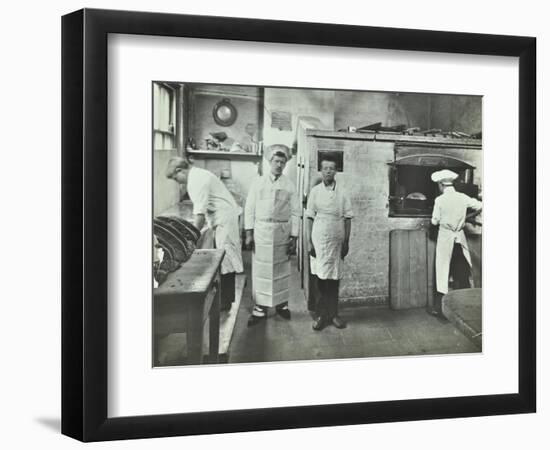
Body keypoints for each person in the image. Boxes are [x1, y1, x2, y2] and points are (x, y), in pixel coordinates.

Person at [165, 157, 244, 311]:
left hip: (224, 219)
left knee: (226, 259)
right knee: (225, 258)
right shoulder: (198, 175)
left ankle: (225, 302)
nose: (178, 182)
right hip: (221, 218)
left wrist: (190, 238)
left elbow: (199, 214)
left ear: (180, 170)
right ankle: (226, 299)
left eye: (176, 178)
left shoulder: (196, 180)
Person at [244, 144, 300, 326]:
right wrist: (248, 233)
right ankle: (260, 309)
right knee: (261, 270)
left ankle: (281, 305)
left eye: (282, 162)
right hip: (261, 232)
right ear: (270, 162)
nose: (279, 165)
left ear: (285, 164)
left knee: (281, 270)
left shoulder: (289, 185)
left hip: (282, 232)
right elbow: (249, 208)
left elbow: (295, 212)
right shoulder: (258, 183)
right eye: (276, 161)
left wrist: (294, 237)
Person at [306, 155, 353, 330]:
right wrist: (310, 242)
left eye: (331, 168)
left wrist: (346, 241)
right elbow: (309, 218)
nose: (328, 171)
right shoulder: (315, 192)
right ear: (321, 170)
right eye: (325, 168)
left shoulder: (343, 193)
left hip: (337, 238)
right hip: (319, 238)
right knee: (320, 278)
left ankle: (333, 315)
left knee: (334, 278)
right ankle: (320, 316)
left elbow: (348, 218)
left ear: (336, 171)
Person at [430, 169, 482, 316]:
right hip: (459, 240)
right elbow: (480, 206)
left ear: (441, 184)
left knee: (442, 273)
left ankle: (441, 310)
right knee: (462, 273)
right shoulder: (462, 197)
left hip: (446, 239)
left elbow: (435, 221)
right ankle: (465, 309)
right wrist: (466, 217)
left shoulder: (439, 200)